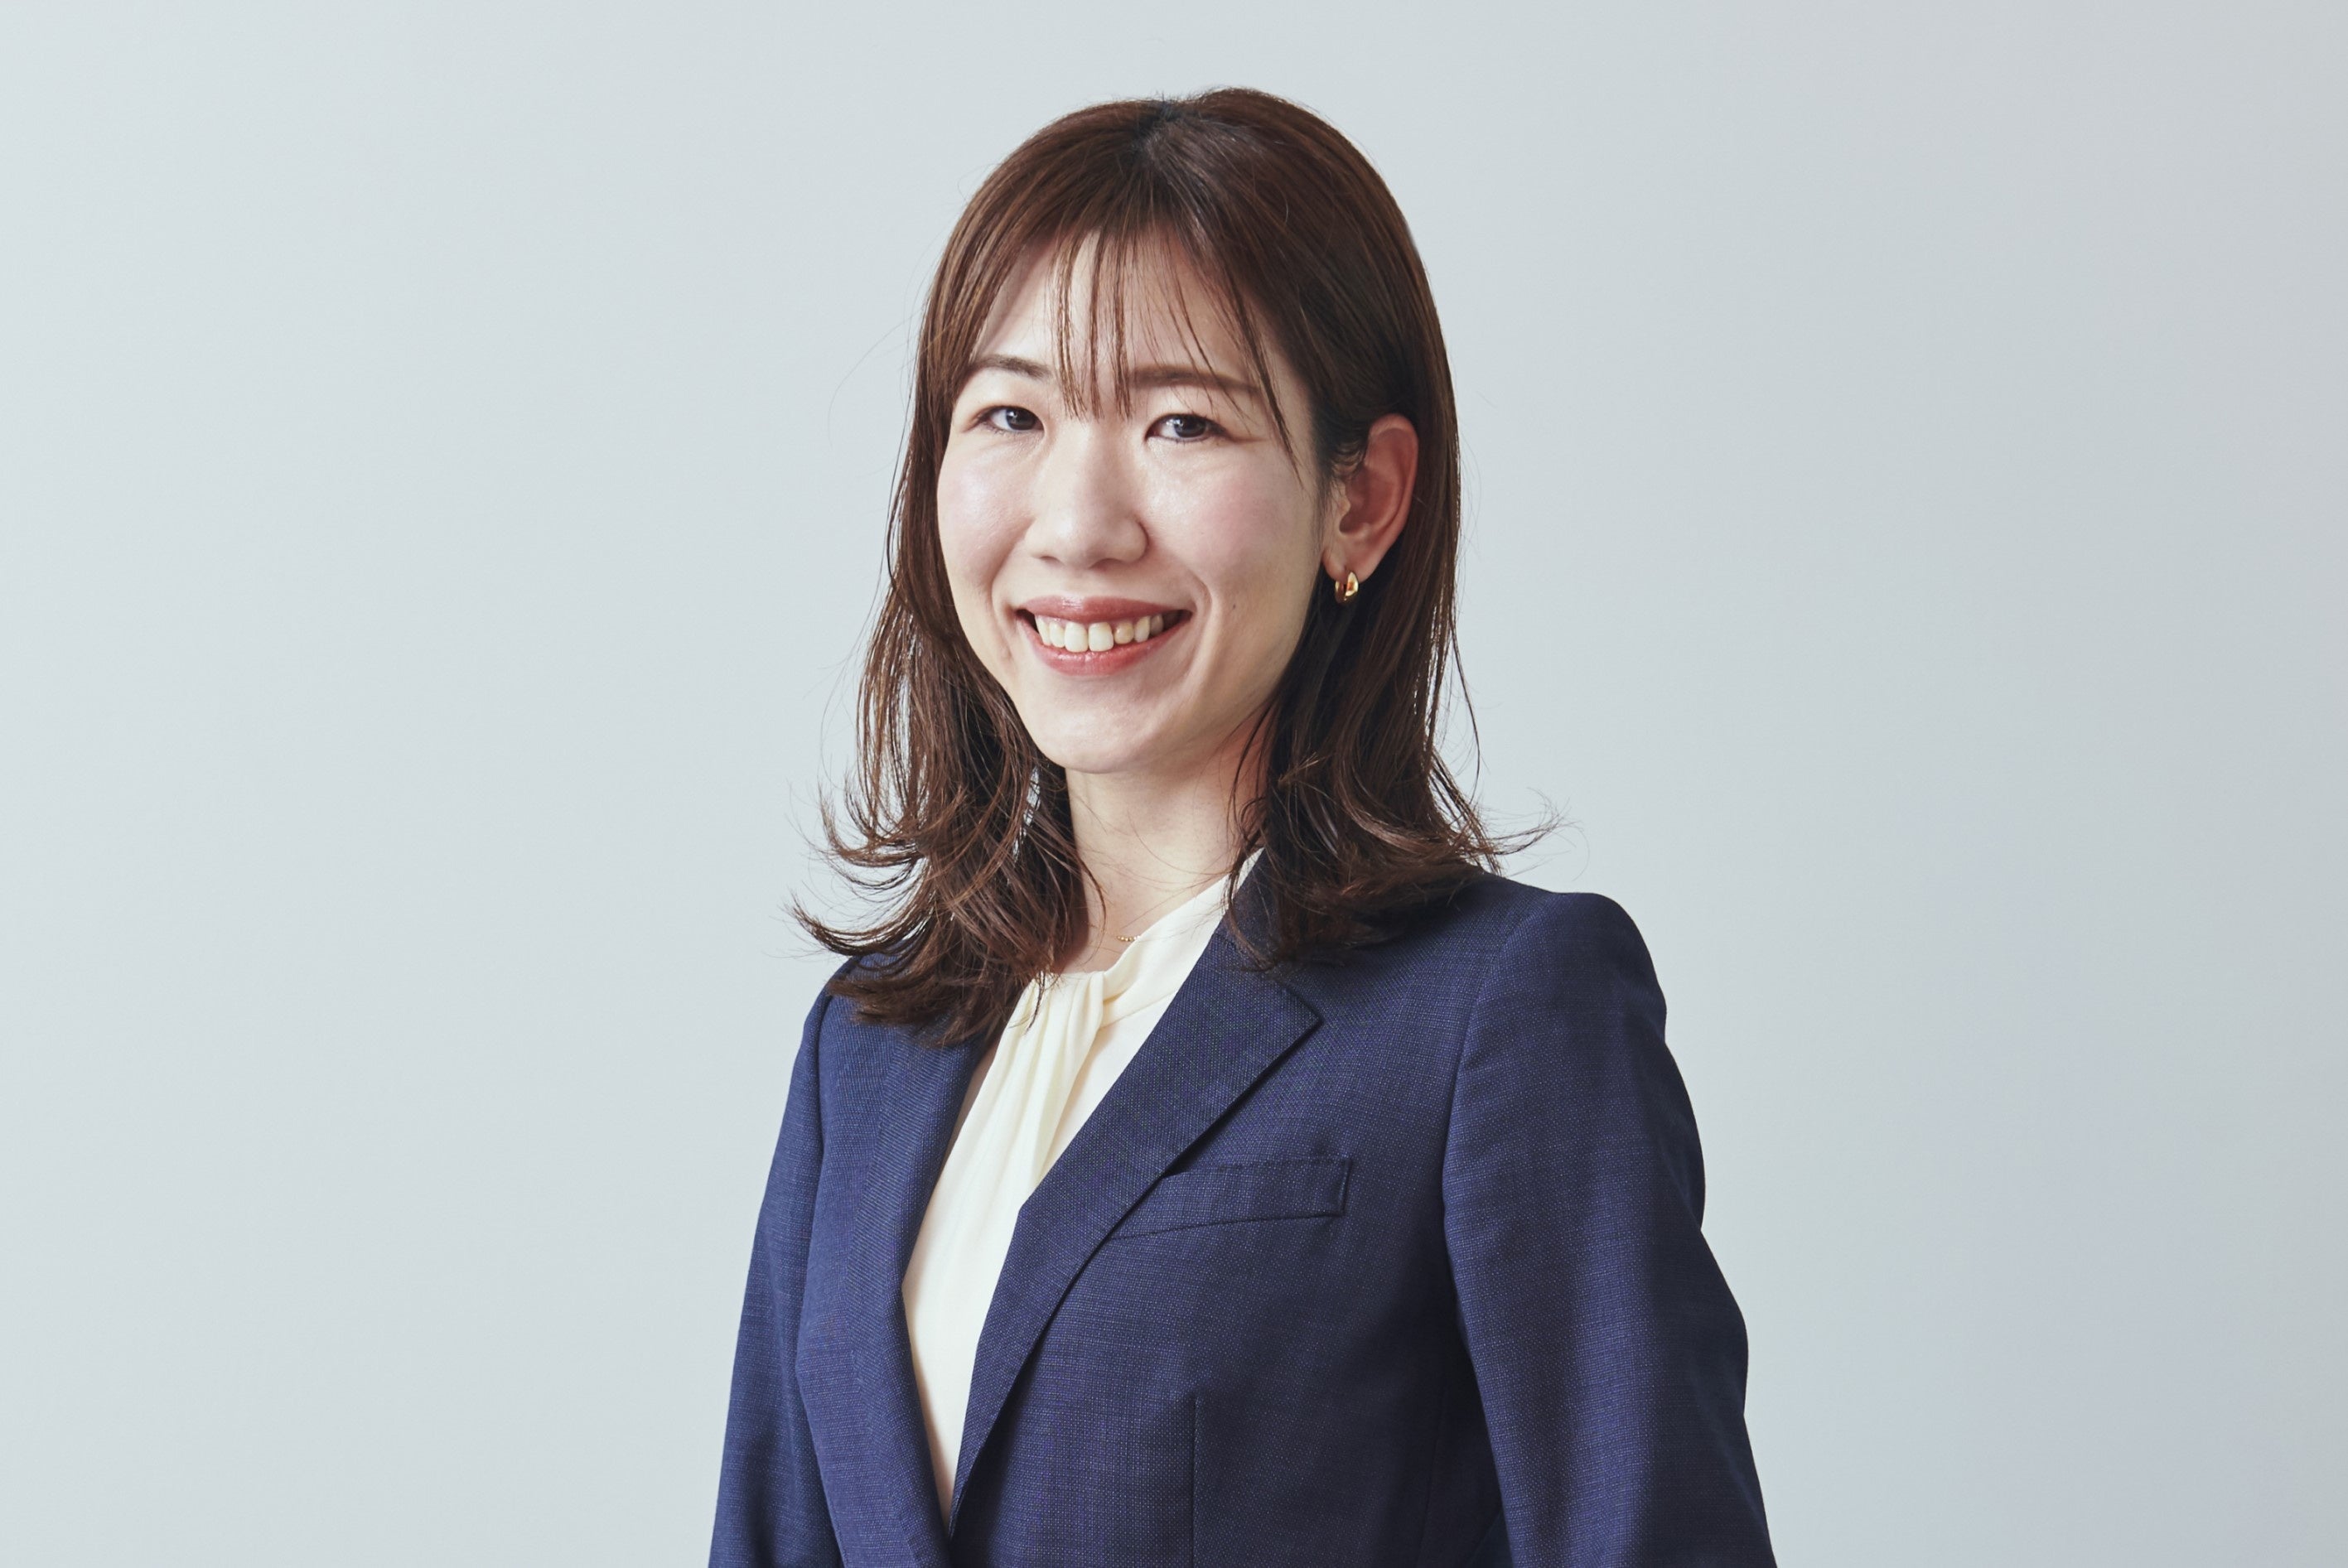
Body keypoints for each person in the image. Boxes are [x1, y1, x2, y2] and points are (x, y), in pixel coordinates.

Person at [711, 89, 1775, 1566]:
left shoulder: (1500, 1013)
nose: (1077, 525)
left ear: (1361, 501)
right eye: (1010, 414)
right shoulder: (869, 1047)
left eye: (1181, 422)